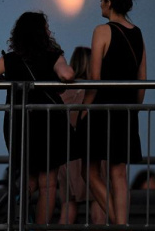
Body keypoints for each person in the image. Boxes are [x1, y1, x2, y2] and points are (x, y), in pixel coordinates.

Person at [0, 11, 74, 225]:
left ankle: (20, 216)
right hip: (49, 123)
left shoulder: (11, 59)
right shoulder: (53, 55)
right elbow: (67, 75)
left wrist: (5, 76)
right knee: (48, 183)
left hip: (20, 124)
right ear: (43, 33)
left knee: (28, 178)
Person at [78, 0, 146, 225]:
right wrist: (133, 109)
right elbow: (142, 82)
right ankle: (121, 223)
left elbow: (94, 79)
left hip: (101, 110)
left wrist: (84, 109)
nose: (100, 4)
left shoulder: (102, 30)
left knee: (89, 170)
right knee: (118, 172)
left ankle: (119, 223)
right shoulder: (137, 33)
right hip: (126, 111)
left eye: (101, 0)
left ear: (109, 2)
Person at [57, 47, 105, 225]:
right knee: (97, 203)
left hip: (67, 153)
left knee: (68, 205)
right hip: (92, 149)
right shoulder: (94, 90)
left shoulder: (62, 92)